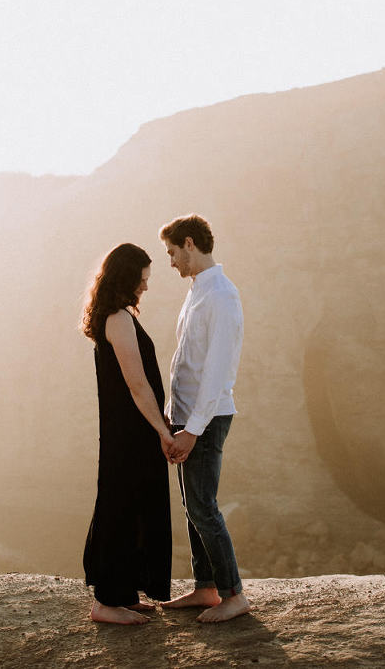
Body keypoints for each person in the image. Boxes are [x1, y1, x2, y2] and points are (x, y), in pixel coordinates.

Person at [158, 215, 251, 623]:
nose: (172, 262)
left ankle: (233, 595)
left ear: (190, 244)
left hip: (207, 419)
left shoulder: (222, 296)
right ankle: (206, 587)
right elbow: (186, 362)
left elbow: (216, 371)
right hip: (187, 415)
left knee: (203, 506)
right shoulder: (198, 291)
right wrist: (170, 416)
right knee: (191, 503)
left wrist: (193, 430)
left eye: (173, 253)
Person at [81, 242, 174, 625]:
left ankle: (123, 593)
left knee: (134, 505)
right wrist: (162, 430)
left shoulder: (118, 316)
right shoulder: (118, 320)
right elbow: (137, 385)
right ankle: (106, 602)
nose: (146, 287)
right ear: (125, 278)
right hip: (130, 434)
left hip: (131, 431)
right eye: (142, 280)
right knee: (121, 508)